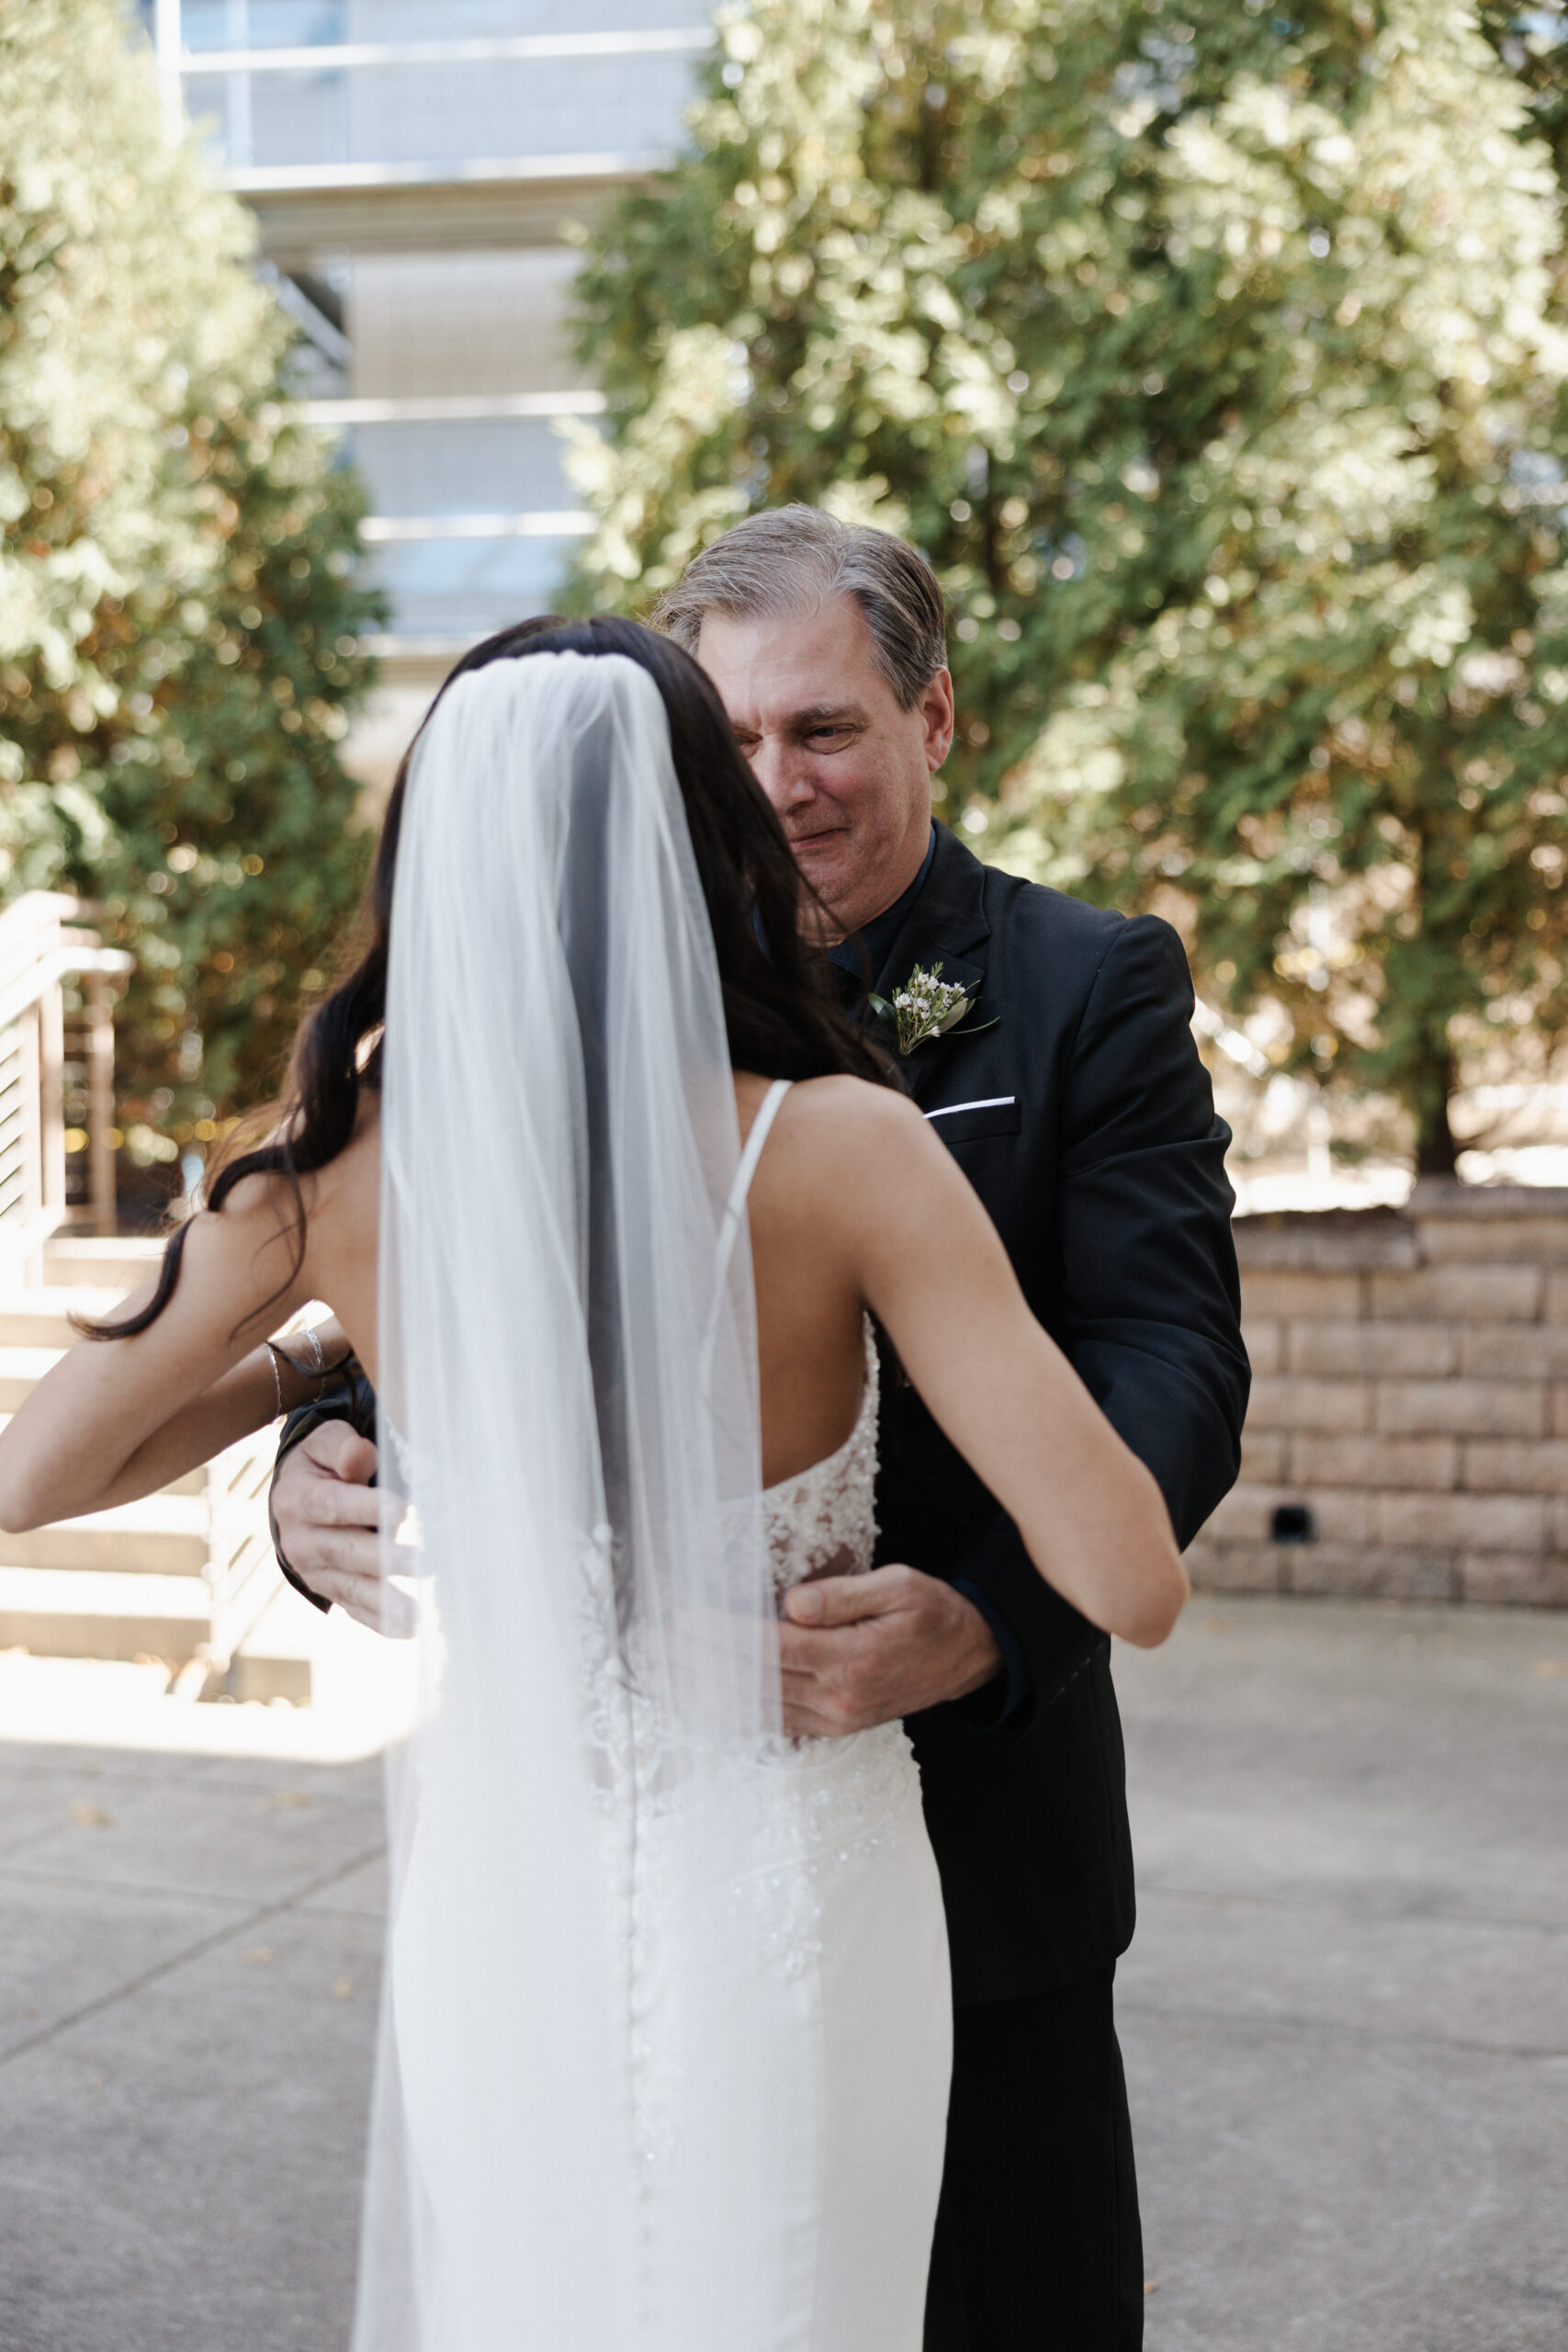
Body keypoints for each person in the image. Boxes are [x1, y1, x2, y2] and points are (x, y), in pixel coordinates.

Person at [0, 619, 1187, 2352]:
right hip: (798, 1916)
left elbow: (41, 1472)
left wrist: (334, 1351)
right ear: (708, 833)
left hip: (511, 1915)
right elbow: (1132, 1575)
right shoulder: (846, 1150)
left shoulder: (331, 1172)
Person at [273, 513, 1250, 2349]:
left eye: (821, 730)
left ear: (931, 716)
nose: (774, 784)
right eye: (726, 742)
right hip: (611, 1867)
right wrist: (313, 1450)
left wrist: (985, 1617)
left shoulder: (1080, 984)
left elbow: (1165, 1356)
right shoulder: (555, 1006)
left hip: (980, 1843)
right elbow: (460, 1293)